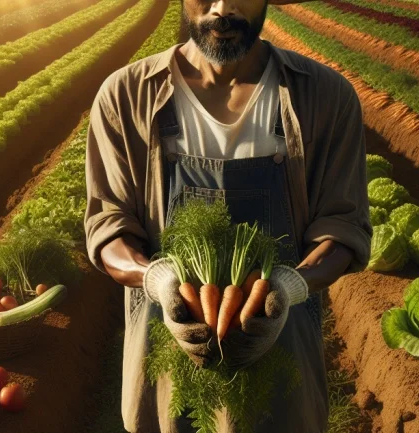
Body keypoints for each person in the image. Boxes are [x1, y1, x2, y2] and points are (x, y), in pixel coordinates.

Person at [83, 1, 372, 431]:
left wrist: (292, 286)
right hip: (168, 354)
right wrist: (158, 280)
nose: (222, 8)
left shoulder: (324, 96)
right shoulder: (127, 95)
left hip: (283, 356)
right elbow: (108, 226)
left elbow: (343, 224)